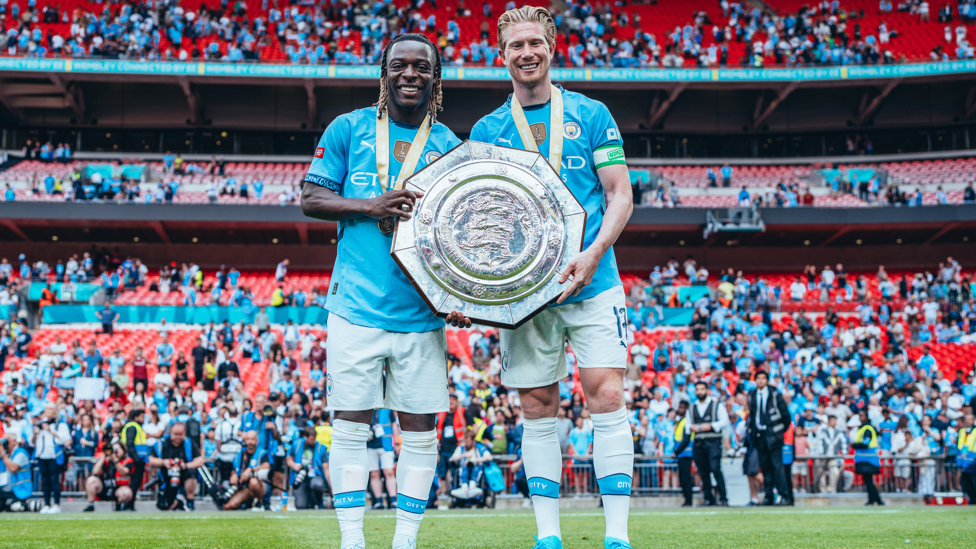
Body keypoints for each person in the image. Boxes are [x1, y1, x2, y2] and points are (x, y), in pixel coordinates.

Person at [468, 7, 634, 549]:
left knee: (606, 396)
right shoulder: (488, 130)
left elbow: (620, 194)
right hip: (524, 295)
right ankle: (548, 536)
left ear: (552, 46)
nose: (526, 53)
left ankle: (617, 535)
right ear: (502, 54)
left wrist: (592, 255)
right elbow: (478, 217)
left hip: (594, 278)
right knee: (537, 406)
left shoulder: (590, 114)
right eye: (515, 45)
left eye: (535, 42)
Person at [300, 33, 468, 549]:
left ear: (434, 77)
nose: (411, 74)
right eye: (400, 65)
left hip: (422, 312)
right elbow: (310, 197)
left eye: (422, 66)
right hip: (355, 308)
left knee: (420, 431)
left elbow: (462, 234)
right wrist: (369, 206)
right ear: (384, 72)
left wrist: (464, 295)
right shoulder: (349, 128)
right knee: (350, 426)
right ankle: (353, 540)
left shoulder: (451, 146)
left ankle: (405, 541)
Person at [748, 370, 792, 506]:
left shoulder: (774, 395)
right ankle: (768, 497)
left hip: (773, 436)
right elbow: (753, 415)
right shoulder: (753, 395)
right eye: (758, 378)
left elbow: (786, 417)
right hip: (760, 436)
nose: (760, 381)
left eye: (763, 378)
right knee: (765, 468)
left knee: (777, 467)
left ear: (767, 380)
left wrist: (778, 432)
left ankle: (785, 496)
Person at [683, 381, 730, 507]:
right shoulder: (692, 407)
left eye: (702, 389)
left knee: (715, 469)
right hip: (698, 443)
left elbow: (725, 421)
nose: (700, 392)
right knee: (703, 472)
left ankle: (723, 498)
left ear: (707, 390)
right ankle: (708, 499)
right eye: (697, 389)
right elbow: (687, 425)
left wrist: (710, 426)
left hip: (713, 442)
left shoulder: (716, 405)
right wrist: (693, 427)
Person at [148, 423, 205, 511]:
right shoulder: (162, 443)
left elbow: (200, 461)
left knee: (191, 473)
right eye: (175, 434)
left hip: (185, 474)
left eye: (180, 434)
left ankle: (190, 500)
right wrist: (164, 462)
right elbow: (151, 460)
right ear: (171, 433)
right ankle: (179, 502)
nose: (178, 437)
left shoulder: (189, 443)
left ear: (185, 433)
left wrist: (185, 465)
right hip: (167, 477)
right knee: (164, 506)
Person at [33, 403, 71, 514]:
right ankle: (46, 504)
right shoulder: (40, 423)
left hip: (54, 455)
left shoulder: (60, 423)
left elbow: (65, 439)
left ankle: (56, 504)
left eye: (51, 409)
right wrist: (35, 434)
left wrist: (50, 431)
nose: (49, 411)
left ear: (55, 410)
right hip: (42, 455)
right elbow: (32, 442)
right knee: (45, 481)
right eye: (47, 409)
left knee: (55, 480)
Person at [223, 431, 270, 511]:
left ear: (256, 440)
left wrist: (251, 469)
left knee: (253, 481)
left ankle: (259, 502)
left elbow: (267, 466)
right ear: (244, 440)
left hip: (260, 485)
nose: (250, 442)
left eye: (252, 439)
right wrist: (233, 475)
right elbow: (234, 469)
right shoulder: (240, 453)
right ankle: (246, 504)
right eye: (248, 439)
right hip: (245, 487)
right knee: (228, 505)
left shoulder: (262, 452)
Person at [83, 442, 134, 512]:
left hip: (118, 489)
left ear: (123, 450)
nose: (116, 451)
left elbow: (124, 472)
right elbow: (95, 471)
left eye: (118, 448)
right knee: (91, 480)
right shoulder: (106, 460)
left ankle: (119, 505)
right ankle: (91, 505)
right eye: (114, 449)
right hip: (104, 488)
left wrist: (115, 460)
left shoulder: (127, 461)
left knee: (127, 492)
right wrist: (105, 455)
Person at [286, 427, 329, 510]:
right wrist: (294, 465)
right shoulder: (296, 444)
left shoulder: (321, 447)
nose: (314, 441)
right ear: (305, 437)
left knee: (317, 485)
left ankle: (319, 500)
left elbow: (326, 469)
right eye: (312, 439)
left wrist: (332, 488)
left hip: (315, 476)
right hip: (301, 477)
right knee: (300, 506)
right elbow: (289, 459)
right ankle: (308, 501)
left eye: (315, 439)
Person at [449, 429, 493, 499]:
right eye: (465, 442)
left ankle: (473, 488)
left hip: (476, 469)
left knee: (477, 468)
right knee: (463, 468)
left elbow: (489, 457)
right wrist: (463, 455)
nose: (466, 444)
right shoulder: (461, 448)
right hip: (463, 470)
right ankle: (464, 489)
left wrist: (476, 460)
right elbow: (451, 459)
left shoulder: (479, 447)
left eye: (468, 442)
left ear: (473, 441)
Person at [852, 409, 884, 506]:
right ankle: (877, 500)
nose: (860, 418)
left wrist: (854, 445)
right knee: (868, 481)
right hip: (864, 458)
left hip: (868, 458)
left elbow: (866, 443)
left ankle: (873, 500)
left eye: (862, 416)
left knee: (868, 481)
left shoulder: (867, 429)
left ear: (867, 417)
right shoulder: (862, 428)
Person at [0, 432, 32, 512]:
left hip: (19, 490)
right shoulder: (6, 454)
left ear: (13, 442)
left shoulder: (21, 453)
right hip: (4, 490)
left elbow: (13, 468)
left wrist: (2, 453)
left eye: (6, 441)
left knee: (15, 507)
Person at [121, 408, 150, 496]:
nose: (144, 419)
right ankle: (128, 505)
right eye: (142, 417)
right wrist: (136, 459)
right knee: (134, 483)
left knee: (136, 483)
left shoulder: (136, 426)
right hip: (134, 460)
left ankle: (130, 505)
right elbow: (130, 444)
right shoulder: (132, 426)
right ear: (136, 417)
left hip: (137, 459)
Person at [671, 400, 694, 507]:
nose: (679, 410)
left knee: (686, 479)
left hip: (685, 454)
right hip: (682, 454)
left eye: (682, 408)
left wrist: (676, 452)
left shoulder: (686, 421)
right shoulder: (680, 421)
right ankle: (686, 500)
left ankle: (688, 501)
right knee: (683, 478)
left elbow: (685, 440)